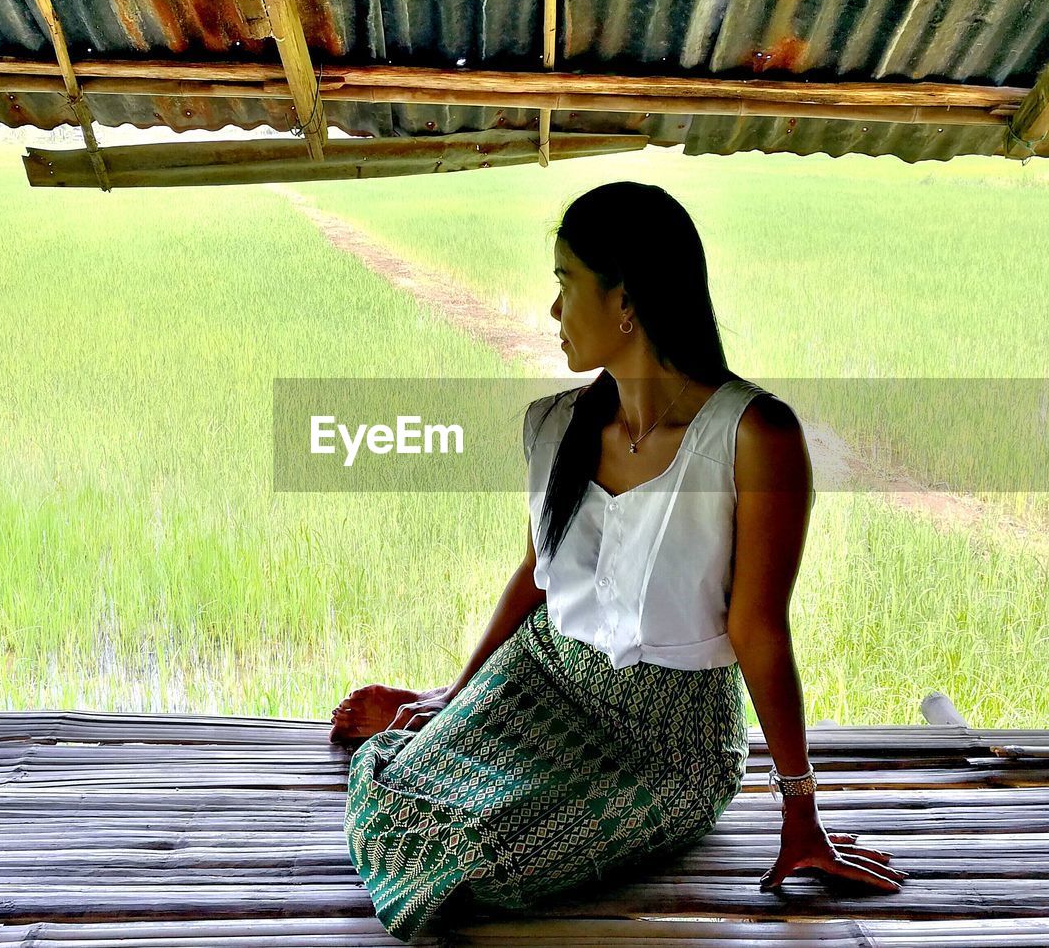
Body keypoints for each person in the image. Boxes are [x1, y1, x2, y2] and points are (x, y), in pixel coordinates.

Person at [332, 181, 907, 942]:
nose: (552, 311)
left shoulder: (753, 435)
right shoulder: (554, 425)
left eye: (566, 285)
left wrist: (801, 813)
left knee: (484, 859)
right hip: (540, 675)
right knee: (393, 796)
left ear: (626, 302)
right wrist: (461, 691)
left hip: (668, 736)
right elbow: (536, 579)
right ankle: (425, 729)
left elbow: (759, 629)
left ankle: (430, 743)